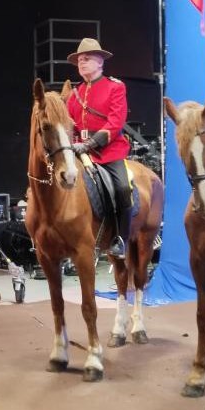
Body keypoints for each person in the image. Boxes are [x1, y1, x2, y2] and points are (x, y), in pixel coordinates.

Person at [65, 38, 131, 257]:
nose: (82, 63)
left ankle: (121, 239)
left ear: (100, 62)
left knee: (122, 188)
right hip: (80, 152)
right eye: (79, 60)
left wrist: (91, 143)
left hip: (109, 151)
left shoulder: (115, 87)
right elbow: (70, 125)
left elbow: (115, 122)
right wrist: (72, 143)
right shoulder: (74, 95)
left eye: (87, 59)